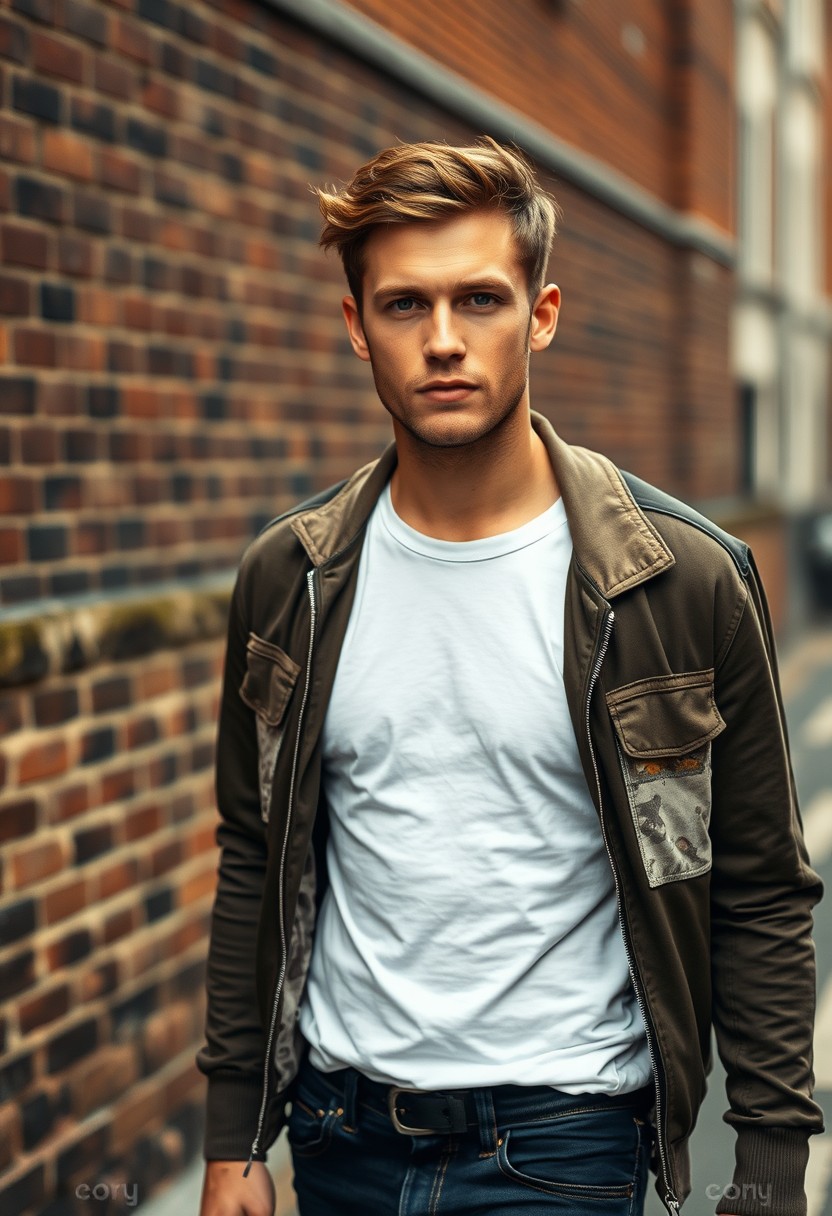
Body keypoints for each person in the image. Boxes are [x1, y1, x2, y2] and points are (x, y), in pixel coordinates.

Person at [197, 138, 822, 1216]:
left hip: (564, 1140)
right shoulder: (287, 581)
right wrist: (233, 1133)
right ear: (356, 326)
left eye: (480, 299)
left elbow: (759, 887)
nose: (443, 342)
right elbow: (255, 859)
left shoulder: (683, 583)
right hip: (337, 1134)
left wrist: (769, 1165)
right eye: (403, 307)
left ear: (540, 313)